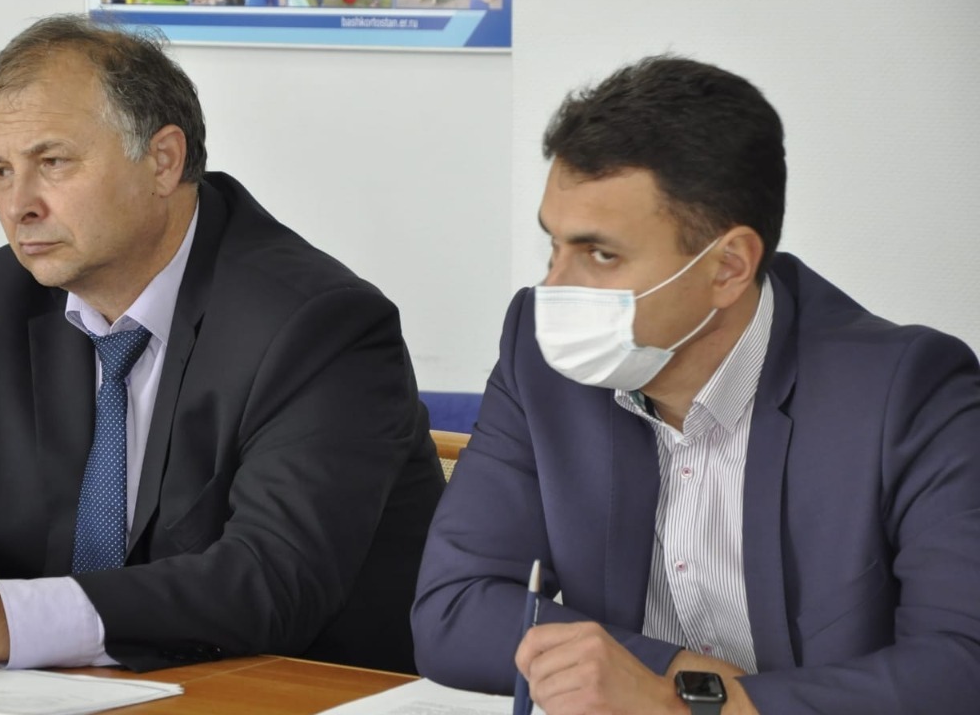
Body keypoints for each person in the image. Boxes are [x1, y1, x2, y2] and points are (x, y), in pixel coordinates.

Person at [0, 14, 443, 676]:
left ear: (163, 161)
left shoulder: (316, 325)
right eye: (0, 170)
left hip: (288, 692)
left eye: (52, 162)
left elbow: (273, 579)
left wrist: (6, 619)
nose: (18, 205)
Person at [411, 55, 980, 714]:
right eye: (554, 247)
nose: (554, 288)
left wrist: (693, 706)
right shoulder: (543, 361)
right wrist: (670, 672)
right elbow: (453, 608)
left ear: (728, 267)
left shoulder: (908, 392)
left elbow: (961, 666)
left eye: (600, 254)